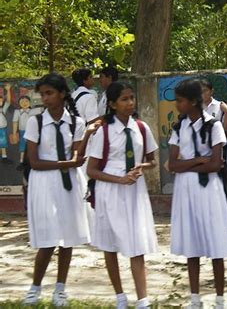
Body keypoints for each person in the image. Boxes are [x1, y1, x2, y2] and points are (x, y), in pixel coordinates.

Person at [87, 82, 158, 309]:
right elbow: (92, 170)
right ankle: (119, 296)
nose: (130, 103)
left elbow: (153, 159)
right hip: (111, 190)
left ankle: (142, 299)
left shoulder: (141, 127)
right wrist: (119, 179)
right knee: (110, 244)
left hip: (134, 190)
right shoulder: (104, 131)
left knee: (136, 242)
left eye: (131, 98)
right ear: (112, 104)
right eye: (124, 99)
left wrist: (141, 166)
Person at [22, 73, 91, 307]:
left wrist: (81, 148)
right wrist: (66, 163)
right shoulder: (36, 122)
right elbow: (34, 161)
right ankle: (35, 288)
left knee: (67, 238)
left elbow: (77, 153)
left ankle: (60, 289)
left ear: (62, 94)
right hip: (44, 183)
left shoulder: (76, 123)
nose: (45, 98)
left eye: (49, 93)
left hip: (69, 183)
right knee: (47, 238)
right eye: (42, 94)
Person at [168, 78, 227, 309]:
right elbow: (172, 165)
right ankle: (195, 299)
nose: (178, 105)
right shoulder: (179, 127)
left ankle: (219, 299)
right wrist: (197, 160)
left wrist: (188, 164)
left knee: (216, 242)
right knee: (191, 243)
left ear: (194, 101)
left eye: (181, 100)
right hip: (186, 190)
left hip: (209, 189)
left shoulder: (214, 126)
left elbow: (216, 164)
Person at [0, 83, 12, 163]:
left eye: (0, 101)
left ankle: (4, 157)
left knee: (3, 143)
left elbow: (8, 101)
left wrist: (8, 90)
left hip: (2, 129)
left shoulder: (2, 110)